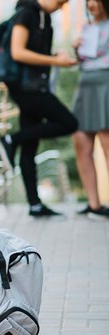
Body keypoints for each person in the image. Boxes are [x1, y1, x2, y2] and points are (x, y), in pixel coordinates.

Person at [0, 0, 79, 217]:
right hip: (25, 88)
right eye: (60, 2)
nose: (61, 7)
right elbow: (18, 52)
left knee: (30, 145)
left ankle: (34, 204)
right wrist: (55, 62)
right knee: (69, 123)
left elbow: (34, 53)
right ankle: (11, 139)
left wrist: (55, 57)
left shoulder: (45, 17)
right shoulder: (26, 12)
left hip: (35, 86)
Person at [71, 0, 109, 220]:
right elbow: (82, 60)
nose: (92, 4)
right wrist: (76, 49)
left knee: (106, 143)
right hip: (85, 83)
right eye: (89, 0)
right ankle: (94, 205)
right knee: (81, 142)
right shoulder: (85, 26)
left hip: (105, 82)